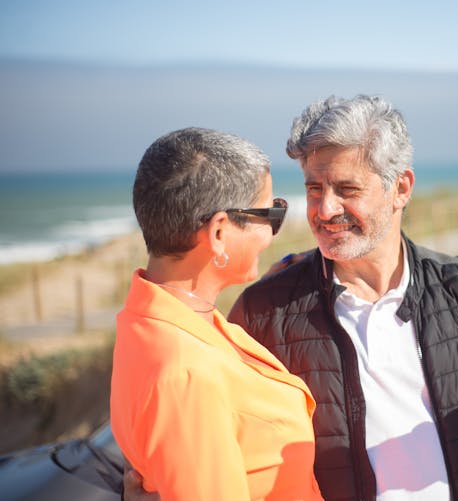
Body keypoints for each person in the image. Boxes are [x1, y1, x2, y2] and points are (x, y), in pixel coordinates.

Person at [126, 96, 458, 501]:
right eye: (313, 188)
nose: (324, 209)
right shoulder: (264, 311)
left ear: (401, 188)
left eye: (346, 189)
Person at [110, 127, 322, 501]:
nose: (272, 233)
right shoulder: (186, 375)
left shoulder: (160, 322)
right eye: (271, 213)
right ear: (219, 233)